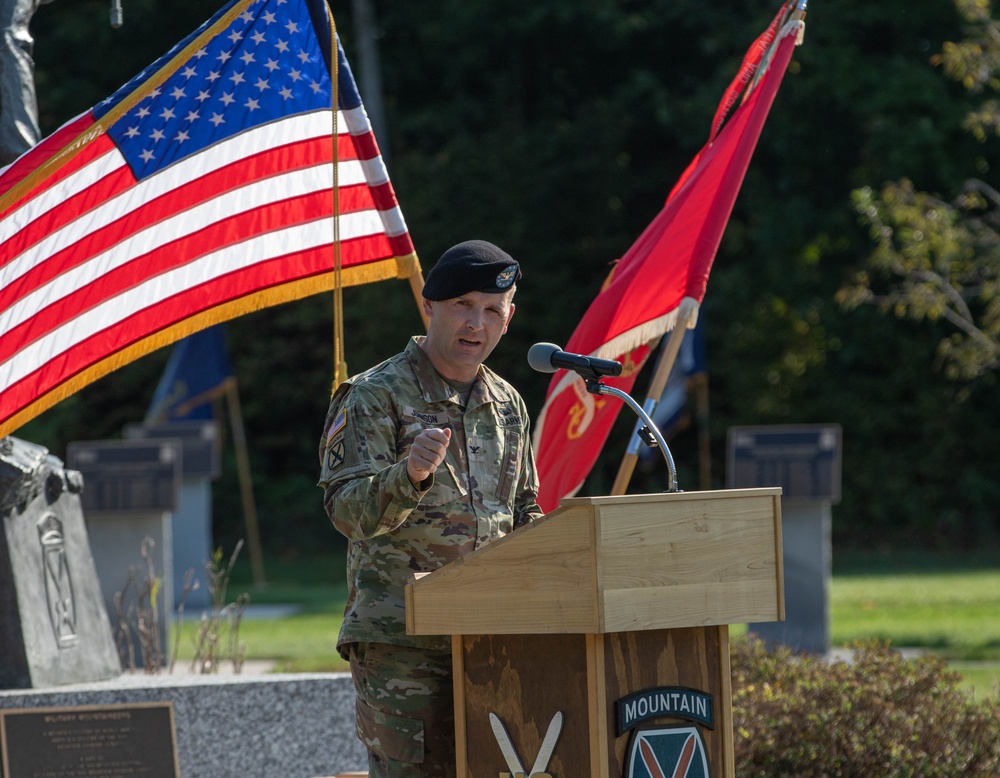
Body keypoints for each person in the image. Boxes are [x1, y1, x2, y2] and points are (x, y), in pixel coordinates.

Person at [318, 240, 544, 777]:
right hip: (403, 644)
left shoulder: (508, 404)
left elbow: (524, 511)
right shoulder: (375, 393)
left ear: (509, 320)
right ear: (430, 306)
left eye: (493, 310)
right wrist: (410, 475)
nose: (476, 323)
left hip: (491, 637)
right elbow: (347, 511)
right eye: (464, 305)